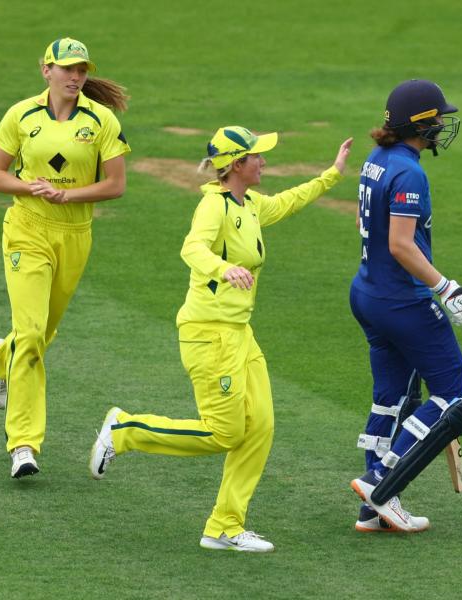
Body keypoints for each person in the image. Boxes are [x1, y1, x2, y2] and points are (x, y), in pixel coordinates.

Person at [87, 126, 353, 553]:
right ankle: (125, 431)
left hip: (239, 334)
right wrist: (222, 268)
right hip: (208, 335)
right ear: (235, 165)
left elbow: (287, 203)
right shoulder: (214, 206)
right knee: (224, 433)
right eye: (256, 157)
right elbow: (192, 248)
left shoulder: (248, 203)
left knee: (261, 426)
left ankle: (224, 526)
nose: (264, 162)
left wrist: (332, 174)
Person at [0, 37, 130, 479]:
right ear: (45, 70)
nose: (75, 76)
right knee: (30, 334)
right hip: (26, 230)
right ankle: (24, 445)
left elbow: (115, 185)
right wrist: (31, 187)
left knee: (41, 334)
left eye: (81, 69)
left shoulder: (100, 120)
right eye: (67, 68)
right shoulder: (21, 115)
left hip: (74, 235)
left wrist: (68, 194)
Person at [347, 80, 462, 533]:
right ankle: (381, 481)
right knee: (450, 392)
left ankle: (375, 508)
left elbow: (363, 222)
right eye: (438, 118)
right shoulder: (410, 173)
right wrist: (447, 288)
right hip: (401, 301)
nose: (443, 124)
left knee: (391, 396)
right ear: (421, 124)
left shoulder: (377, 161)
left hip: (367, 293)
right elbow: (402, 244)